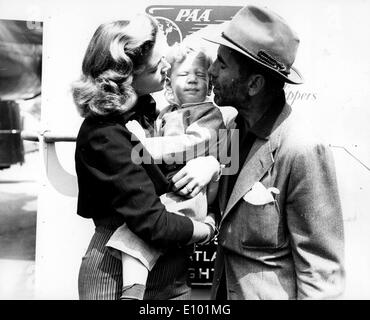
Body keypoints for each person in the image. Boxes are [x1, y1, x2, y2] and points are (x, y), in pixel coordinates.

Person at [172, 5, 345, 299]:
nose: (211, 71)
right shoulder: (230, 130)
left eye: (223, 65)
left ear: (254, 84)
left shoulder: (302, 149)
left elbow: (321, 275)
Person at [72, 14, 215, 300]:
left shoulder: (149, 112)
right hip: (116, 273)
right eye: (155, 66)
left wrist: (210, 164)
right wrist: (207, 228)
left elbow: (210, 147)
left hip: (173, 273)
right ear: (126, 76)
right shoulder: (105, 134)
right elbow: (154, 224)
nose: (167, 67)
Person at [105, 41, 226, 299]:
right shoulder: (166, 113)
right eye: (184, 74)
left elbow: (191, 143)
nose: (193, 80)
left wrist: (144, 144)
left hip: (192, 195)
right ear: (169, 84)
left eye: (200, 75)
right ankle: (134, 292)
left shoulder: (209, 114)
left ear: (210, 85)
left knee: (135, 236)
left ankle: (132, 294)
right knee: (136, 233)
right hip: (172, 193)